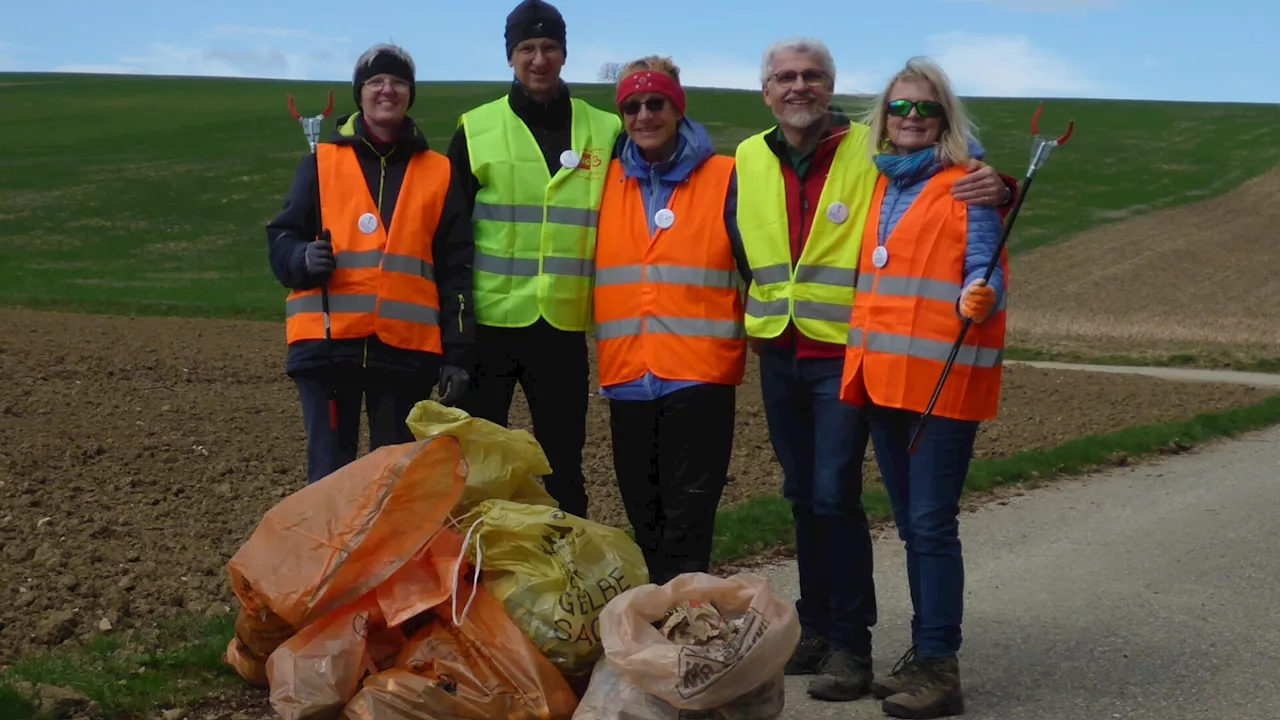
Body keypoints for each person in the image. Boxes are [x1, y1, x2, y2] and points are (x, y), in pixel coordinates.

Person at [732, 37, 1018, 702]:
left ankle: (881, 652)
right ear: (765, 89)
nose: (797, 87)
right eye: (784, 77)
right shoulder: (771, 160)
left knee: (879, 509)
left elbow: (978, 237)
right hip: (831, 361)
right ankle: (839, 631)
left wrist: (998, 190)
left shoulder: (878, 161)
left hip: (878, 366)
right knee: (814, 497)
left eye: (812, 76)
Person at [839, 56, 1009, 719]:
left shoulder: (971, 184)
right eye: (901, 108)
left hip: (941, 381)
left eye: (926, 109)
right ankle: (922, 653)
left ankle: (940, 666)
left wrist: (982, 292)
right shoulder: (883, 185)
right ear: (884, 118)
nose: (912, 118)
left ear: (945, 119)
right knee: (912, 528)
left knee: (933, 527)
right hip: (885, 382)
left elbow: (986, 267)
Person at [267, 43, 475, 484]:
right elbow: (281, 239)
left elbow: (456, 268)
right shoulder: (320, 162)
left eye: (398, 82)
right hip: (327, 348)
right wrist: (302, 257)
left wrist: (457, 354)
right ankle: (331, 557)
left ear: (410, 94)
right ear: (359, 93)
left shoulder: (438, 172)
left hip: (405, 352)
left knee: (395, 484)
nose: (387, 90)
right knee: (328, 480)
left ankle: (391, 558)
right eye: (376, 81)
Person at [447, 0, 622, 519]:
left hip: (562, 327)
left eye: (549, 47)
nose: (539, 59)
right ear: (510, 57)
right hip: (489, 328)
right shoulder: (475, 129)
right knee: (479, 465)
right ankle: (478, 579)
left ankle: (570, 580)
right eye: (527, 48)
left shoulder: (605, 129)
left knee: (564, 465)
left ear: (565, 54)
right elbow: (452, 237)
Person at [592, 56, 747, 585]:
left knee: (689, 523)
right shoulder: (604, 181)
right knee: (646, 517)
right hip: (628, 374)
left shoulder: (727, 176)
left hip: (699, 372)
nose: (643, 115)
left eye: (655, 102)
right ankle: (663, 634)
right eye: (631, 106)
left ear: (677, 107)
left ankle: (690, 636)